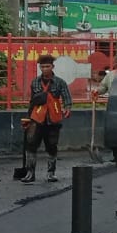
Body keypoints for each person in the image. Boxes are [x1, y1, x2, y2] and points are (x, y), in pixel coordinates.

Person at [22, 53, 70, 181]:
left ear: (52, 66)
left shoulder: (60, 82)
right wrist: (28, 118)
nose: (44, 69)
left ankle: (51, 173)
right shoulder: (35, 82)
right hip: (36, 118)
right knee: (31, 144)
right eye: (42, 67)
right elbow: (32, 101)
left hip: (52, 118)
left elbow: (67, 98)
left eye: (47, 66)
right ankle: (30, 173)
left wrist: (67, 108)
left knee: (52, 146)